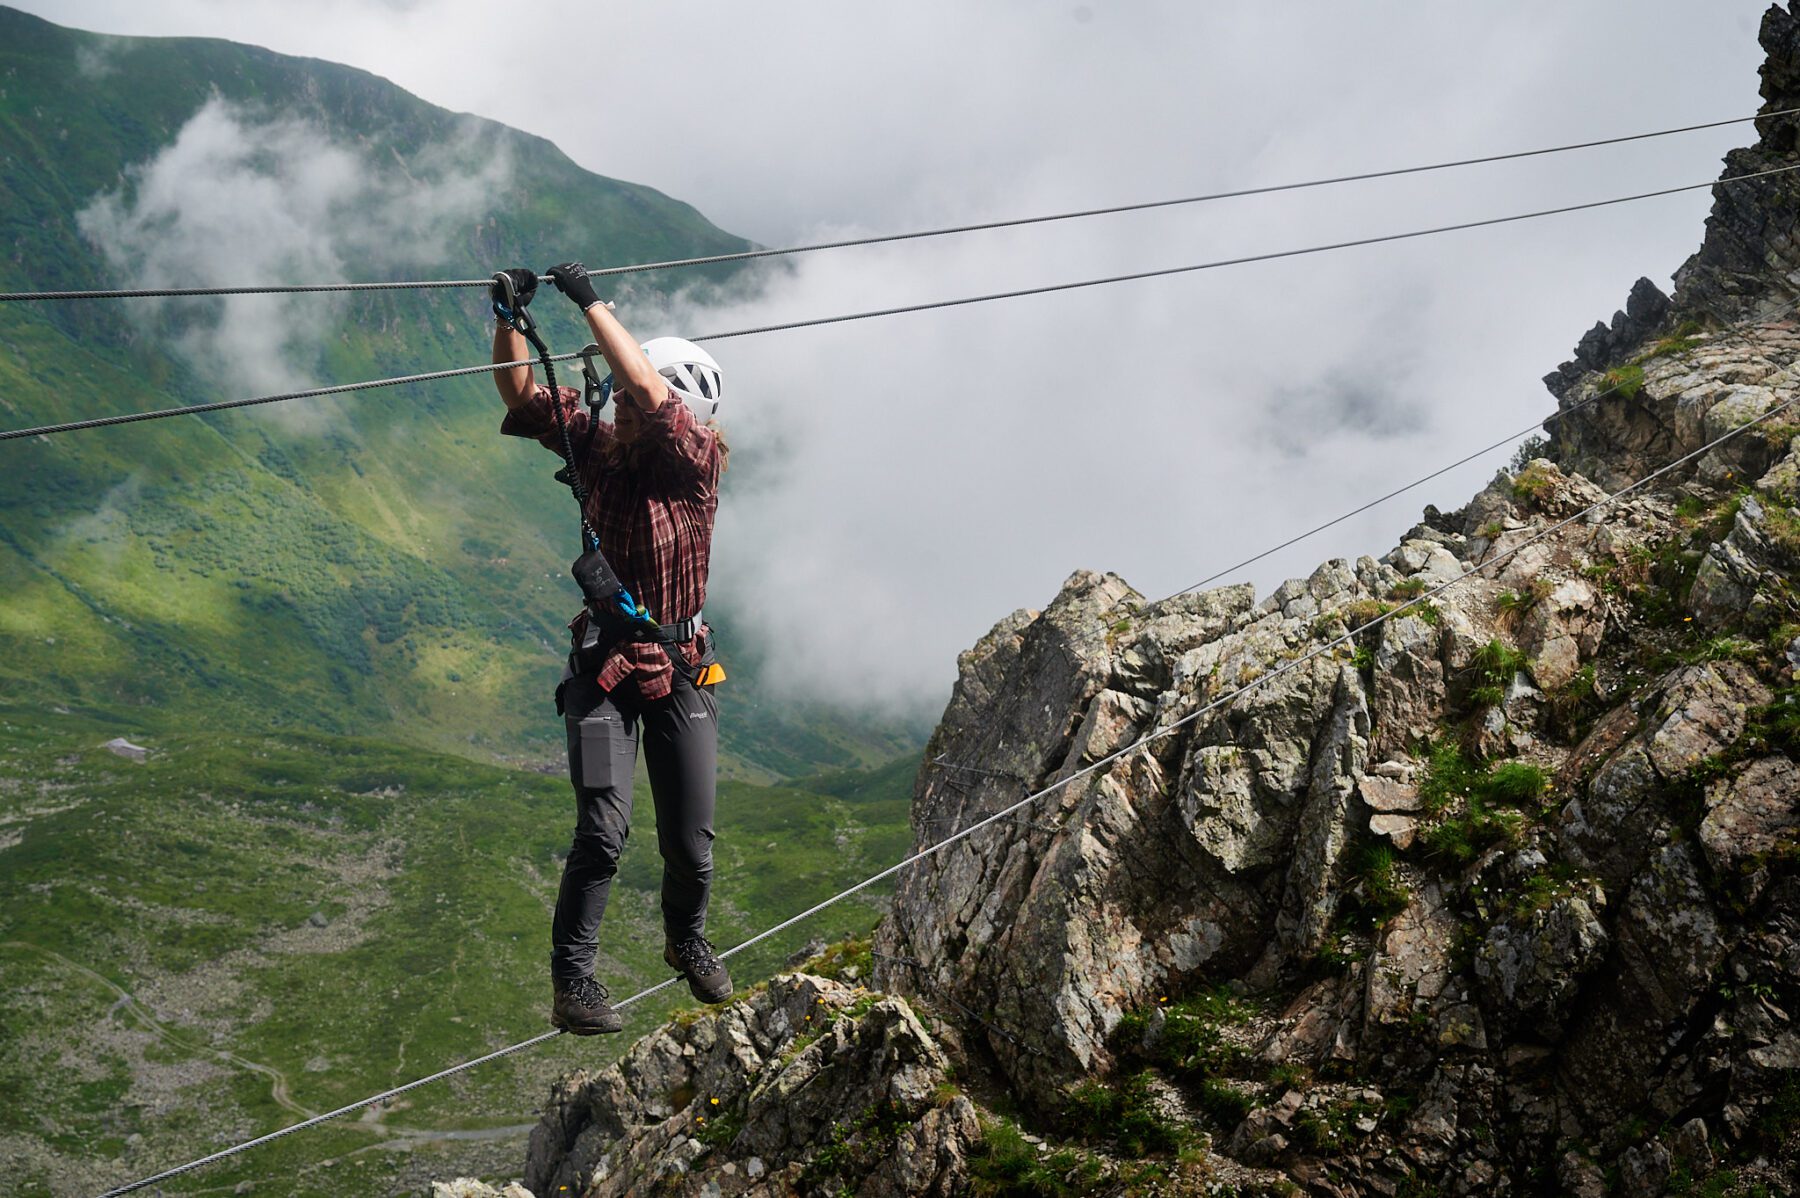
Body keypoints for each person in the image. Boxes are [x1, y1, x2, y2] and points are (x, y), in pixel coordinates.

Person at [490, 262, 731, 1035]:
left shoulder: (697, 470)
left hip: (682, 665)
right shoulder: (597, 450)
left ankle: (685, 939)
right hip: (603, 663)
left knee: (691, 845)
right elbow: (521, 396)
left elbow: (655, 397)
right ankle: (574, 983)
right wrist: (509, 319)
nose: (619, 408)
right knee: (603, 828)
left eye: (630, 399)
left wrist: (590, 303)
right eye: (617, 398)